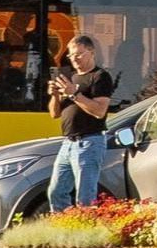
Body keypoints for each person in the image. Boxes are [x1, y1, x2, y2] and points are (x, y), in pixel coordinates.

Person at [43, 35, 114, 212]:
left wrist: (74, 95)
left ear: (91, 52)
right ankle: (62, 230)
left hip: (89, 141)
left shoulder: (100, 76)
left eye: (79, 54)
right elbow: (54, 114)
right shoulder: (71, 78)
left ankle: (85, 233)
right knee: (56, 192)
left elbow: (99, 111)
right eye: (71, 55)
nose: (74, 59)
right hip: (68, 142)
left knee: (85, 197)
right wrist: (55, 95)